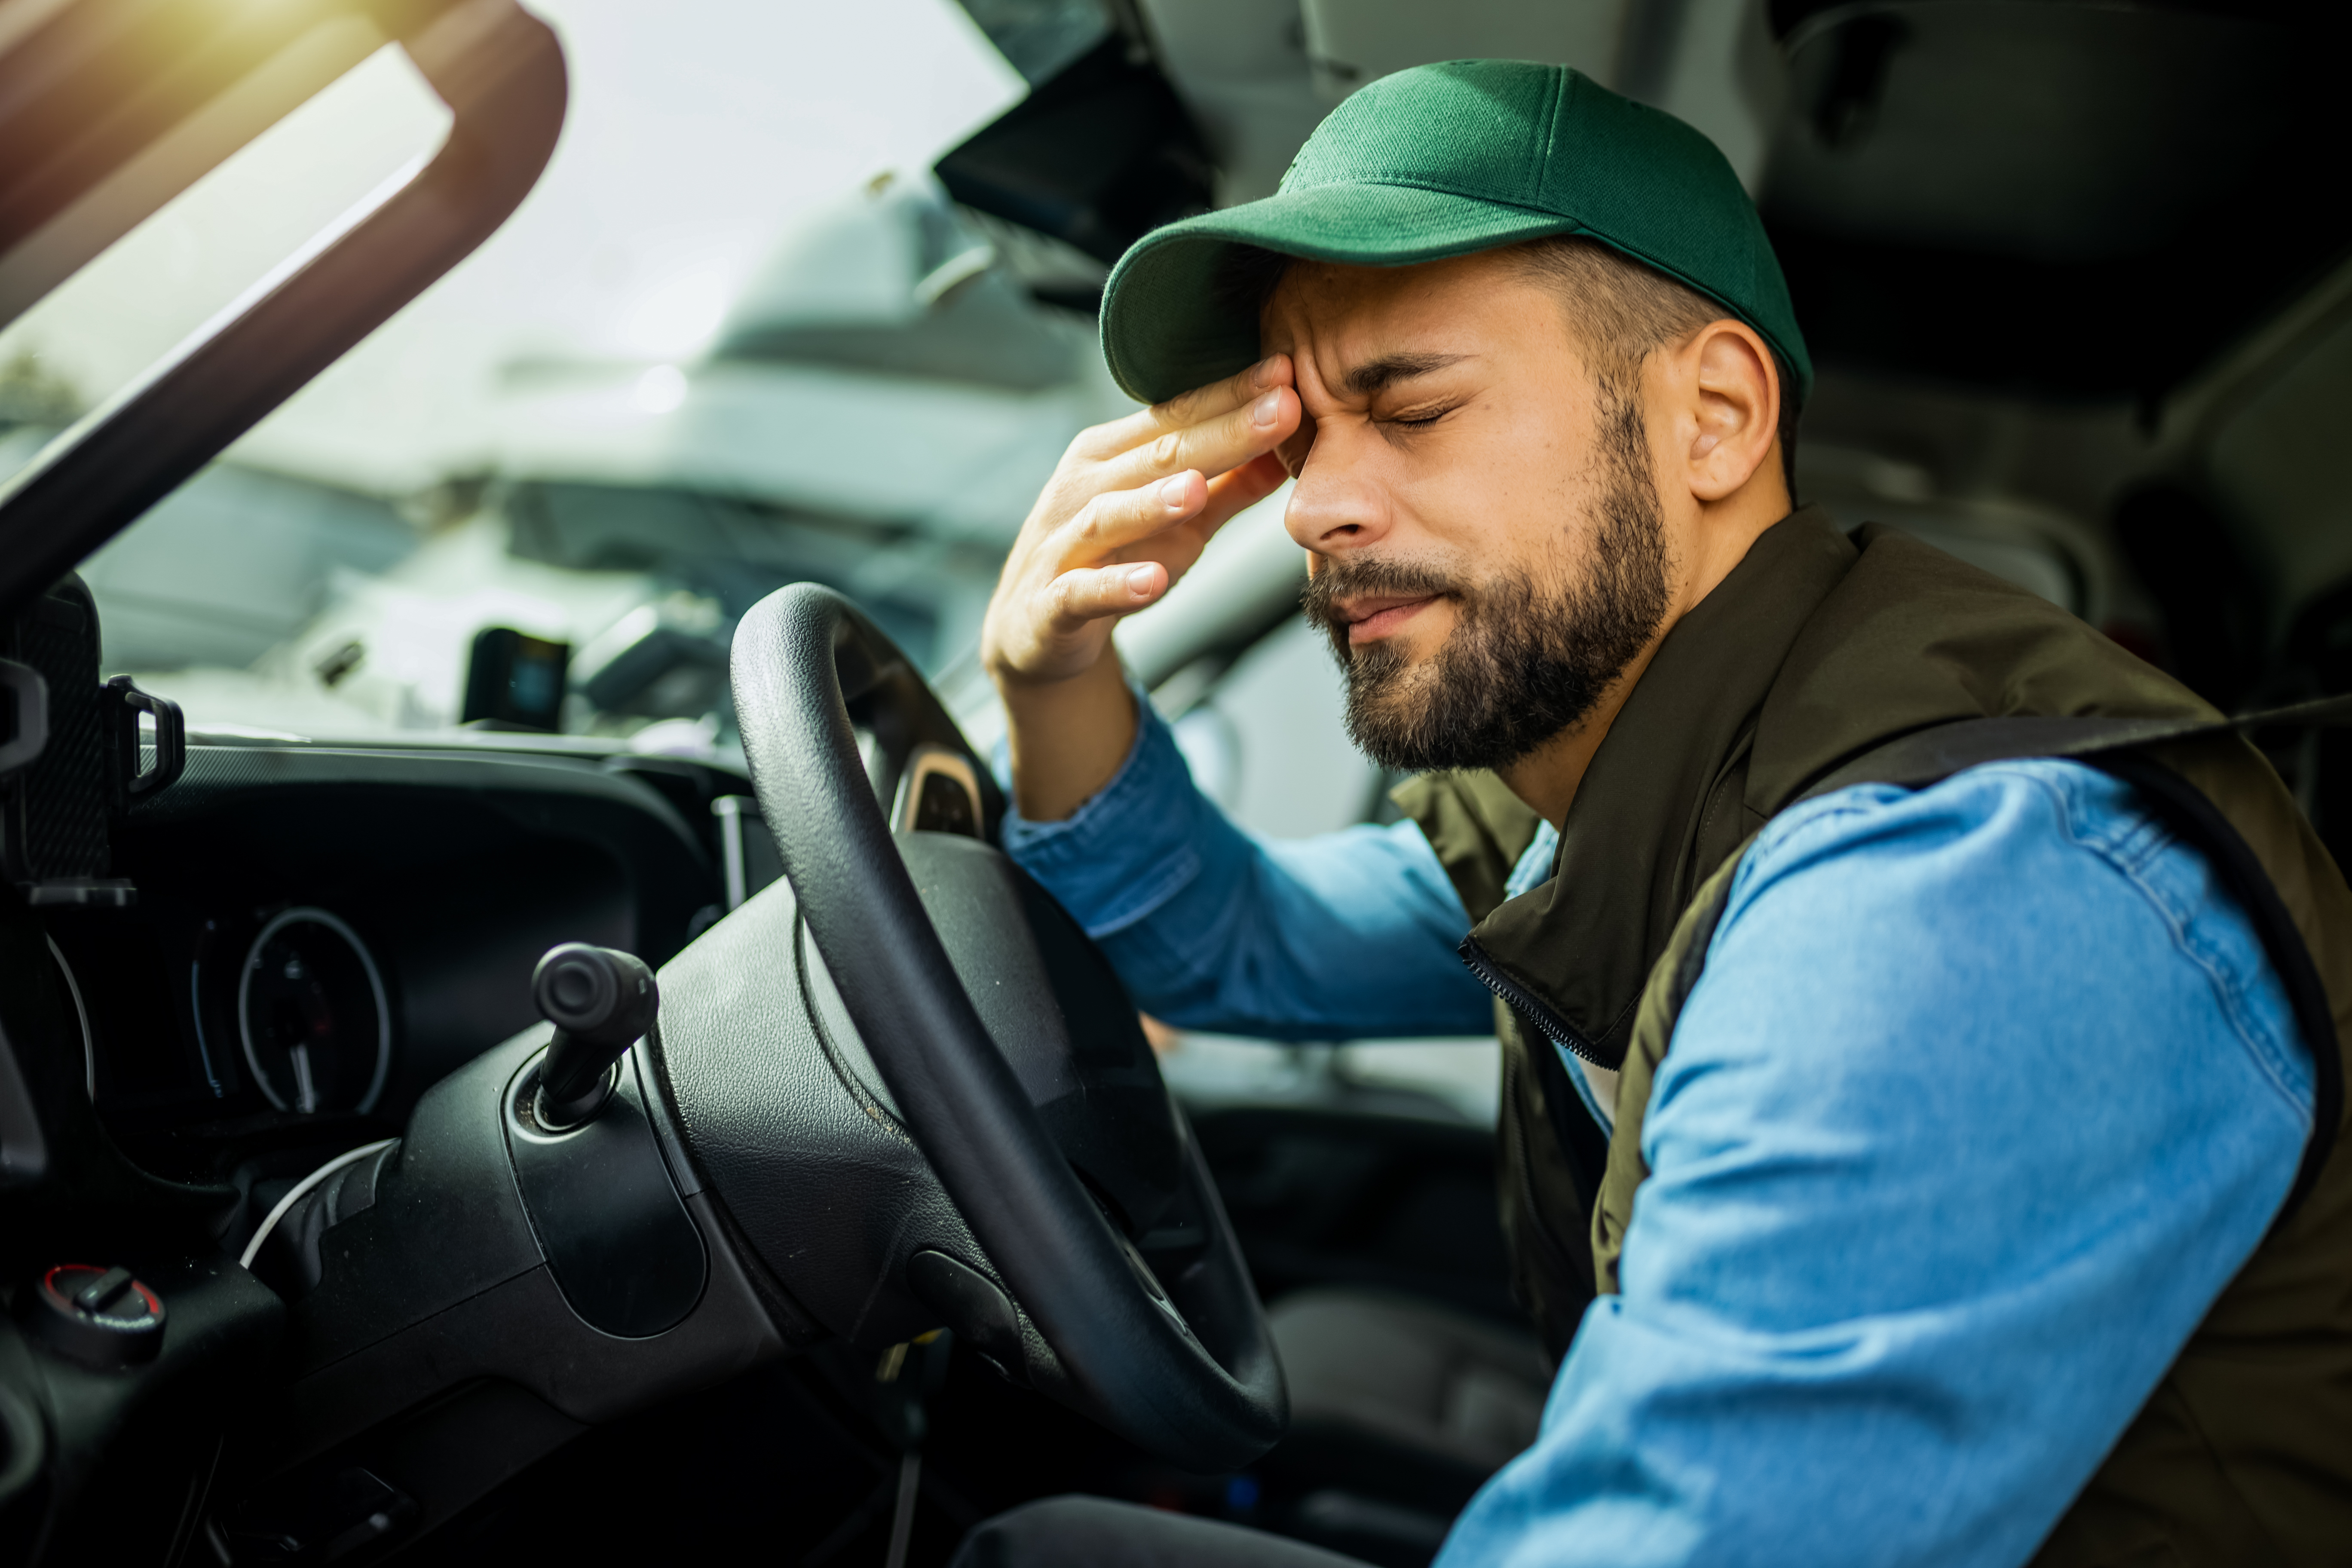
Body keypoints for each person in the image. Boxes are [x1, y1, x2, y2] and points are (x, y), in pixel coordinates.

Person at [959, 60, 2352, 1568]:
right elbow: (1235, 945)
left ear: (1713, 417)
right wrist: (1060, 666)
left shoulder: (1949, 893)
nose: (1309, 505)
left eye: (1409, 405)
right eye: (1295, 443)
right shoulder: (1631, 811)